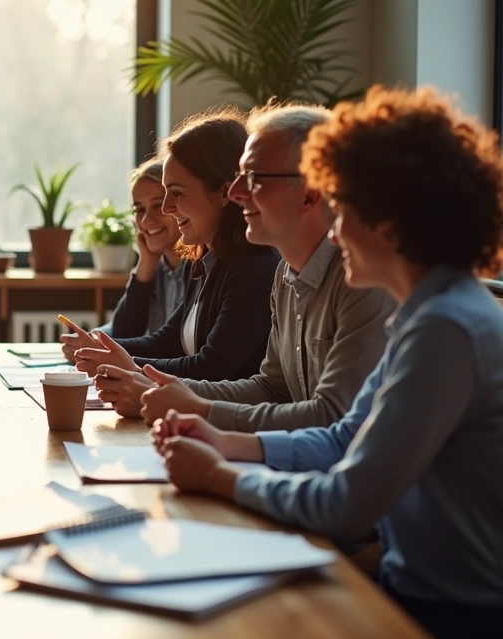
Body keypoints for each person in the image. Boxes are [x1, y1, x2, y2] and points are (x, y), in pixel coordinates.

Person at [155, 86, 503, 639]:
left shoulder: (446, 326)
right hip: (412, 590)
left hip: (448, 617)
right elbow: (345, 437)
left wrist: (222, 477)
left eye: (346, 203)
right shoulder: (428, 310)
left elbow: (344, 502)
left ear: (391, 219)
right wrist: (232, 444)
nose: (335, 227)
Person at [97, 105, 395, 429]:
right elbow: (271, 388)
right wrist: (161, 390)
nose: (236, 193)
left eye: (252, 178)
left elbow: (334, 421)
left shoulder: (362, 280)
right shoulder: (286, 275)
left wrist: (202, 417)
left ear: (309, 195)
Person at [64, 111, 279, 381]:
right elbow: (168, 341)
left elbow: (210, 368)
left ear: (225, 192)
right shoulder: (204, 261)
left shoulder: (254, 267)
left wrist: (124, 365)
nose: (167, 207)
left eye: (176, 193)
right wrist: (101, 349)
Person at [86, 159, 191, 339]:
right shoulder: (156, 267)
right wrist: (92, 339)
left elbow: (173, 346)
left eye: (158, 205)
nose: (146, 221)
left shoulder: (202, 269)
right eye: (139, 209)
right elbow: (123, 330)